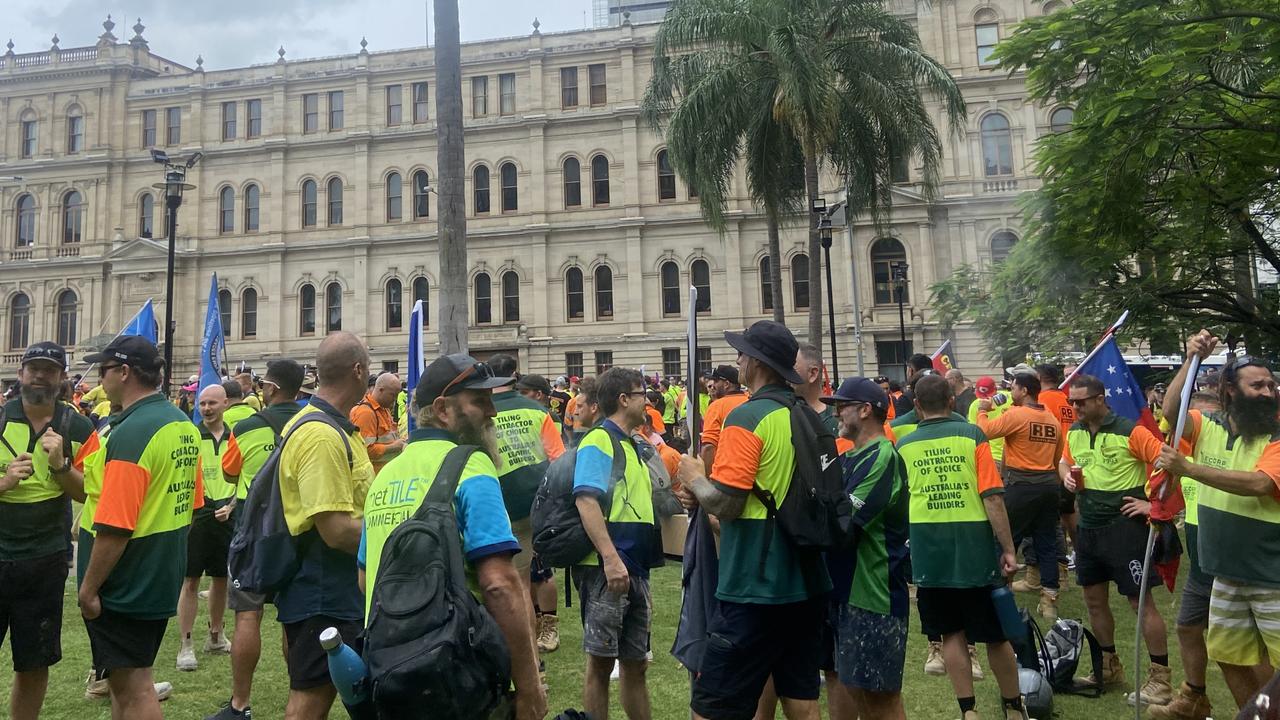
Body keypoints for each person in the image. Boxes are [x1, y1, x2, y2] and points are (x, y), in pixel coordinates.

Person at [358, 353, 547, 720]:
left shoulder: (386, 475)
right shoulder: (471, 465)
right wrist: (529, 687)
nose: (492, 411)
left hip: (389, 672)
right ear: (443, 410)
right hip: (459, 673)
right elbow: (499, 585)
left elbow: (366, 580)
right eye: (480, 401)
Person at [674, 320, 830, 720]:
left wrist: (695, 478)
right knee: (801, 700)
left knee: (711, 708)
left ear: (756, 363)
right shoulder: (809, 416)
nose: (737, 360)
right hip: (807, 579)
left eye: (742, 353)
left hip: (755, 585)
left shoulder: (747, 418)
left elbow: (727, 505)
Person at [77, 336, 202, 720]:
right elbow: (191, 502)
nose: (100, 379)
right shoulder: (181, 424)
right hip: (159, 571)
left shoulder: (132, 432)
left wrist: (89, 588)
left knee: (134, 690)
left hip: (126, 580)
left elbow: (116, 525)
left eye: (104, 370)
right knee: (125, 685)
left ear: (125, 372)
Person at [1159, 331, 1280, 710]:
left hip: (1271, 574)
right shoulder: (1207, 424)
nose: (1267, 392)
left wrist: (1188, 468)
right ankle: (1252, 716)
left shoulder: (1277, 435)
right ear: (1229, 389)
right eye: (1257, 385)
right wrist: (1190, 359)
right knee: (1228, 654)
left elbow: (1261, 484)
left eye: (1271, 385)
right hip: (1223, 573)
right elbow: (1171, 412)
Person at [896, 374, 1026, 720]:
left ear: (917, 406)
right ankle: (1014, 706)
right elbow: (992, 498)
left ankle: (969, 711)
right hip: (974, 546)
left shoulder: (903, 445)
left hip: (928, 548)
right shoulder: (972, 435)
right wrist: (1009, 548)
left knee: (951, 631)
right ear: (952, 402)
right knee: (995, 635)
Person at [274, 332, 374, 720]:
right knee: (310, 700)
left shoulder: (332, 426)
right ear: (358, 371)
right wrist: (393, 530)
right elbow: (335, 530)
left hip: (333, 587)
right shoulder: (321, 435)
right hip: (322, 590)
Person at [1061, 374, 1173, 704]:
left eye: (1081, 401)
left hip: (1125, 529)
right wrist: (1065, 475)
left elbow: (1168, 462)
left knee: (1140, 604)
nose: (1076, 407)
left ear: (1100, 399)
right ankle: (1108, 666)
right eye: (1072, 402)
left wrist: (1151, 505)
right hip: (1089, 528)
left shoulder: (1130, 430)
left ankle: (1161, 678)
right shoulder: (1076, 431)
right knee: (1094, 601)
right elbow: (1064, 460)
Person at [0, 342, 98, 720]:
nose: (40, 375)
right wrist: (5, 483)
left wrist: (59, 466)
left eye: (49, 370)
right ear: (21, 373)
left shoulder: (78, 426)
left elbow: (89, 492)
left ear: (62, 379)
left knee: (33, 660)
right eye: (34, 368)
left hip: (45, 558)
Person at [206, 359, 306, 720]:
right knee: (293, 619)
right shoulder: (312, 423)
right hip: (298, 530)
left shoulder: (247, 427)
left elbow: (229, 472)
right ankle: (299, 695)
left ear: (272, 389)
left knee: (248, 615)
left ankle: (240, 704)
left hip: (255, 530)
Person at [570, 367, 659, 720]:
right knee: (601, 663)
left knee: (636, 665)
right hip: (608, 568)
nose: (648, 401)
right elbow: (586, 500)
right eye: (641, 394)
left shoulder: (630, 444)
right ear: (624, 399)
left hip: (635, 566)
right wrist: (609, 558)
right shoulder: (599, 440)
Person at [822, 377, 910, 720]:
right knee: (857, 691)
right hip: (847, 593)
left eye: (841, 407)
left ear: (865, 410)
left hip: (875, 596)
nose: (836, 415)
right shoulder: (850, 458)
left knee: (881, 701)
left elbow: (843, 524)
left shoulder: (883, 457)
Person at [1148, 391, 1222, 720]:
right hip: (1201, 557)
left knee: (1241, 645)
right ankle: (1195, 697)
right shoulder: (1187, 452)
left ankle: (1263, 706)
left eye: (1210, 419)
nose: (1202, 426)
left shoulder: (1230, 452)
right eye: (1196, 420)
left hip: (1231, 555)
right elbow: (1171, 412)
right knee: (1188, 627)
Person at [488, 355, 568, 659]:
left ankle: (527, 638)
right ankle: (531, 634)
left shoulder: (482, 411)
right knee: (535, 572)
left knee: (515, 578)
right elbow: (558, 459)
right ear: (515, 376)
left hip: (497, 503)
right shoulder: (537, 411)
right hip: (536, 502)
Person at [976, 372, 1064, 620]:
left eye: (1013, 387)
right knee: (1046, 541)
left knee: (1006, 539)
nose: (1010, 392)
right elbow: (1056, 459)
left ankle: (999, 592)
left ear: (1024, 391)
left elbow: (983, 432)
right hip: (1048, 485)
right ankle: (1049, 600)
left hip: (1022, 485)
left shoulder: (1016, 415)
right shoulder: (1051, 419)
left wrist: (983, 410)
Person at [176, 384, 242, 672]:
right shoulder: (190, 435)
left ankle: (216, 635)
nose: (206, 408)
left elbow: (245, 475)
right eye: (202, 403)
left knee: (220, 579)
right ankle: (186, 644)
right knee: (190, 580)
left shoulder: (235, 437)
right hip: (197, 514)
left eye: (212, 403)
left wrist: (233, 504)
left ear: (225, 404)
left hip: (227, 511)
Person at [514, 372, 568, 652]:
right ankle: (534, 618)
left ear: (536, 394)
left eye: (523, 392)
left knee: (541, 569)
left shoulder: (547, 417)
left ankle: (549, 625)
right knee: (527, 570)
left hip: (541, 499)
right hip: (524, 500)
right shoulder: (529, 414)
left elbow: (555, 458)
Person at [350, 371, 405, 474]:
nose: (395, 399)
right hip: (374, 477)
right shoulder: (365, 413)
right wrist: (394, 446)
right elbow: (364, 450)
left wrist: (401, 440)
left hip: (385, 473)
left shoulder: (384, 409)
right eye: (393, 395)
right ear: (381, 390)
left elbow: (387, 437)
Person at [698, 364, 748, 474]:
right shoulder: (751, 400)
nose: (713, 385)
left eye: (716, 381)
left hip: (725, 471)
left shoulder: (716, 406)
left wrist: (705, 478)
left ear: (726, 384)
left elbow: (709, 447)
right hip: (750, 468)